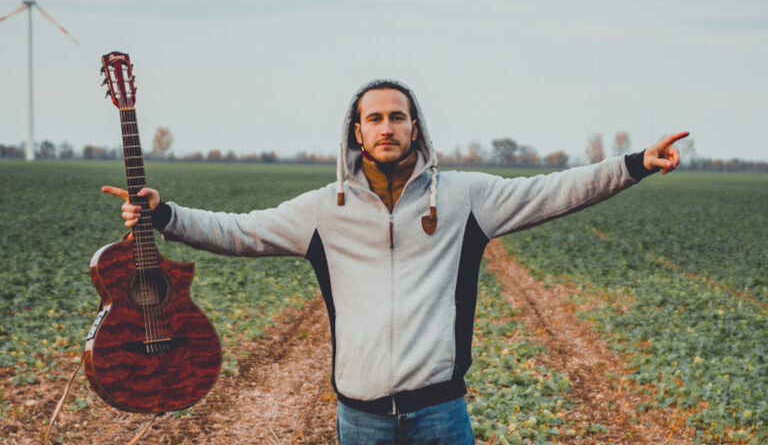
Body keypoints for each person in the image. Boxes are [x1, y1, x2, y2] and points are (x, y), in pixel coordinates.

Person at [103, 79, 687, 444]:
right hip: (360, 420)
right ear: (357, 133)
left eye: (397, 117)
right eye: (375, 118)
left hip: (440, 413)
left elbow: (555, 190)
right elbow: (239, 232)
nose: (387, 127)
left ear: (415, 128)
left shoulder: (465, 197)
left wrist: (635, 163)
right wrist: (165, 214)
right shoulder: (323, 209)